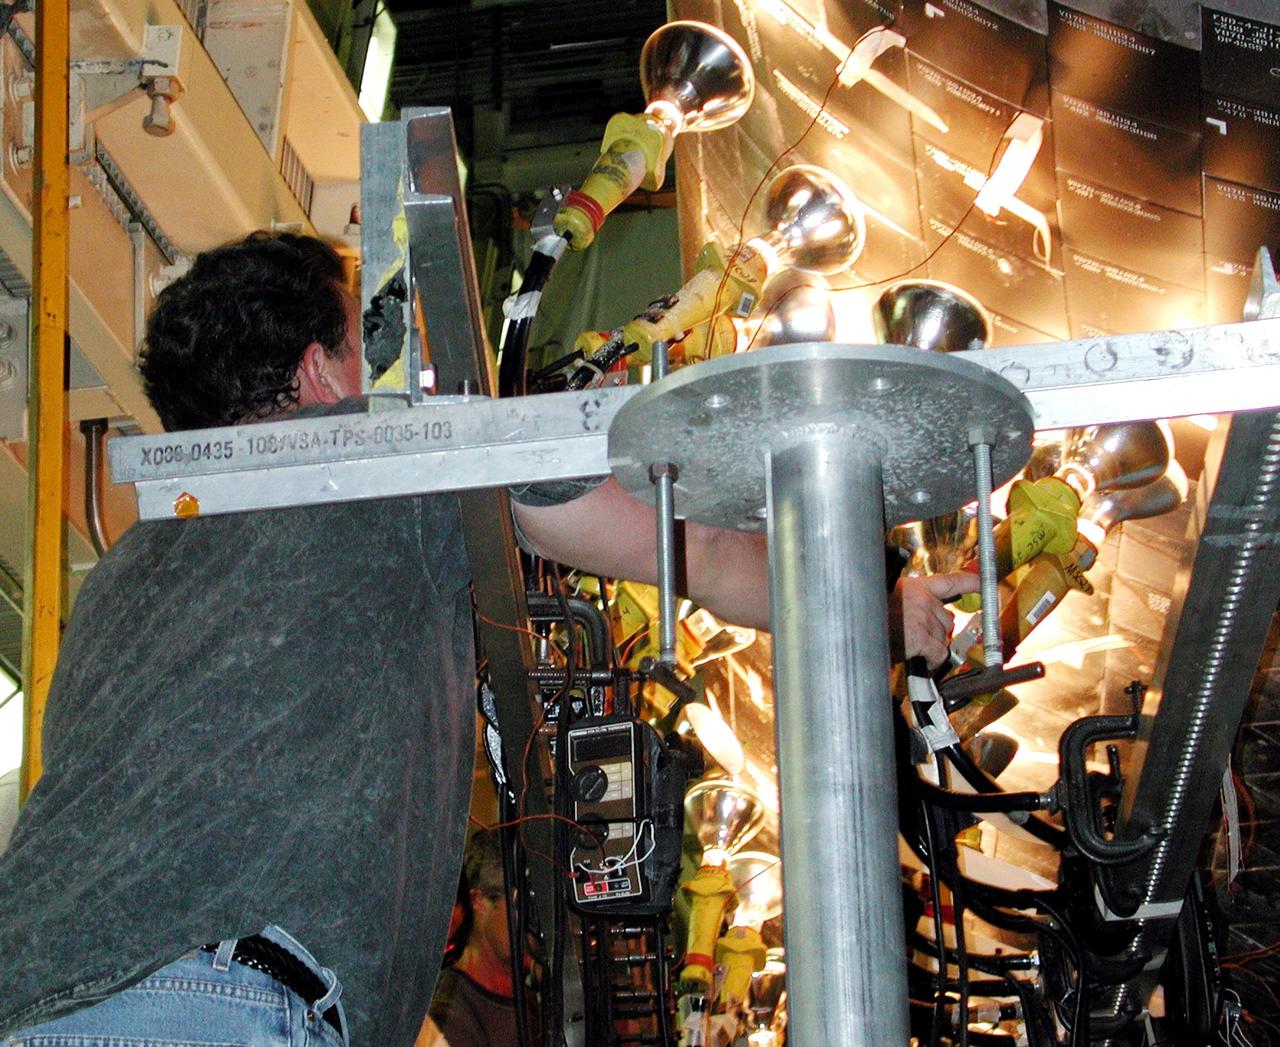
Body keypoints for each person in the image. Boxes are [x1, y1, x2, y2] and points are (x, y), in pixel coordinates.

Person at [0, 232, 972, 1047]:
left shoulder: (123, 571)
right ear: (320, 373)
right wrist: (876, 605)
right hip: (216, 1007)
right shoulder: (378, 453)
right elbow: (698, 551)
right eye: (364, 350)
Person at [420, 831, 538, 1047]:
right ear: (478, 901)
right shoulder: (448, 1013)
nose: (531, 918)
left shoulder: (529, 994)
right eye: (520, 903)